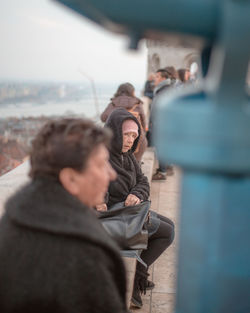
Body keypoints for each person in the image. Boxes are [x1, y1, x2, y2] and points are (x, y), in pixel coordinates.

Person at [0, 118, 129, 313]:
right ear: (70, 179)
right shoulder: (84, 254)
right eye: (102, 164)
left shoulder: (15, 218)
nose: (112, 175)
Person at [103, 108, 175, 308]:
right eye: (126, 134)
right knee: (166, 233)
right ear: (115, 131)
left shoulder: (126, 155)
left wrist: (137, 194)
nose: (130, 140)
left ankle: (138, 275)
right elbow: (100, 194)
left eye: (134, 136)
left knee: (169, 225)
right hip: (115, 218)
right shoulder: (103, 156)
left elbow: (143, 181)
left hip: (129, 212)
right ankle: (136, 278)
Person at [100, 82, 147, 162]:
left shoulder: (113, 104)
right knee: (136, 164)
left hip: (115, 140)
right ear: (132, 92)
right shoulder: (138, 104)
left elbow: (103, 118)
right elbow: (143, 122)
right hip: (137, 141)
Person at [149, 68, 176, 180]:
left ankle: (162, 172)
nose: (154, 79)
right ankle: (166, 168)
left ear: (163, 78)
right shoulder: (165, 88)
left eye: (157, 77)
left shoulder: (164, 89)